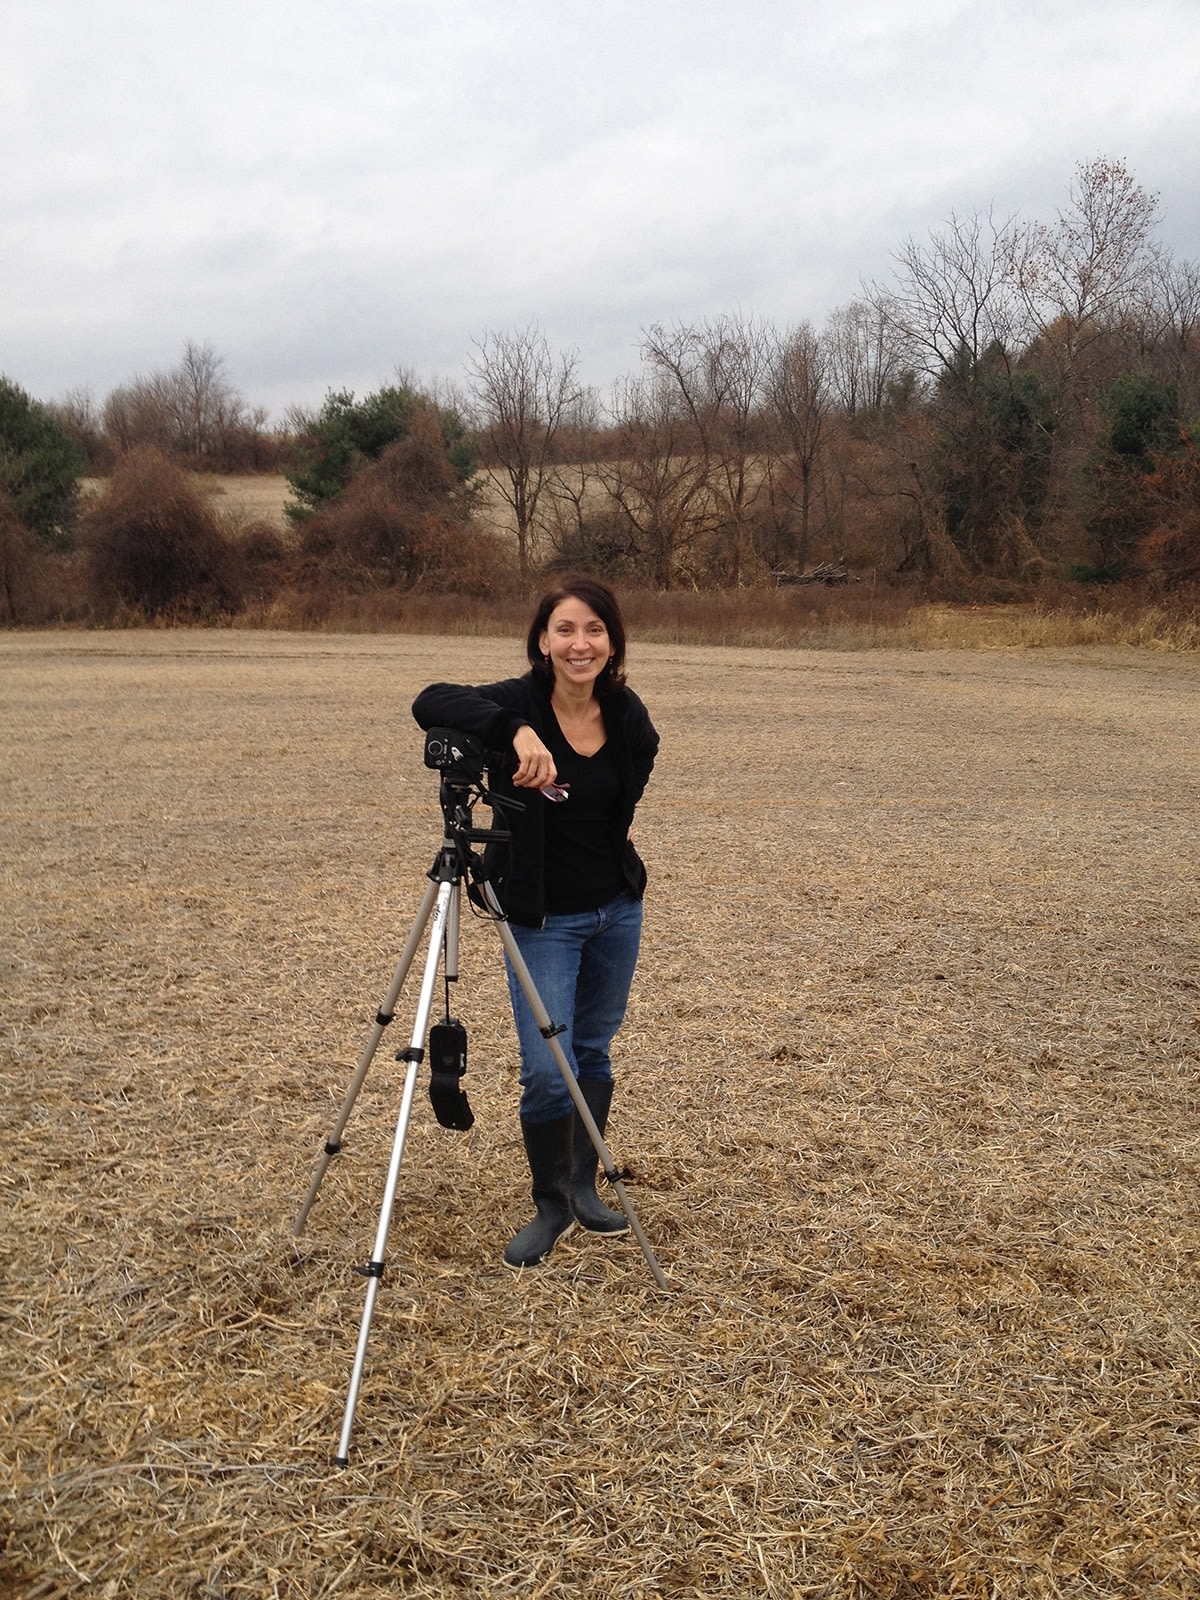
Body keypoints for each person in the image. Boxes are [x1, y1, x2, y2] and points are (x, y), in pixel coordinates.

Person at [412, 575, 659, 1268]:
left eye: (594, 631)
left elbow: (627, 791)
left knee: (593, 1051)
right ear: (543, 641)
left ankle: (583, 1186)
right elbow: (428, 701)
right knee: (549, 1069)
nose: (580, 644)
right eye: (565, 630)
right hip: (545, 919)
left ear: (612, 643)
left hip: (616, 910)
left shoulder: (627, 714)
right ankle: (549, 1203)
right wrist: (514, 729)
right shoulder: (517, 701)